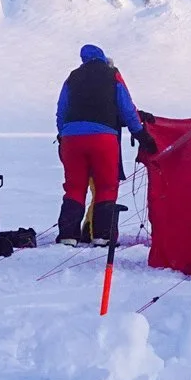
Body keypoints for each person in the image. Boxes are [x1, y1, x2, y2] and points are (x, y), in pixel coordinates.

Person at [55, 44, 155, 245]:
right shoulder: (112, 75)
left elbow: (61, 111)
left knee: (74, 187)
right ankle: (102, 235)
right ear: (103, 58)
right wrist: (141, 134)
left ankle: (68, 236)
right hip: (103, 138)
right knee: (106, 185)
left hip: (71, 139)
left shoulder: (72, 77)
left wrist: (64, 134)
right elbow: (126, 109)